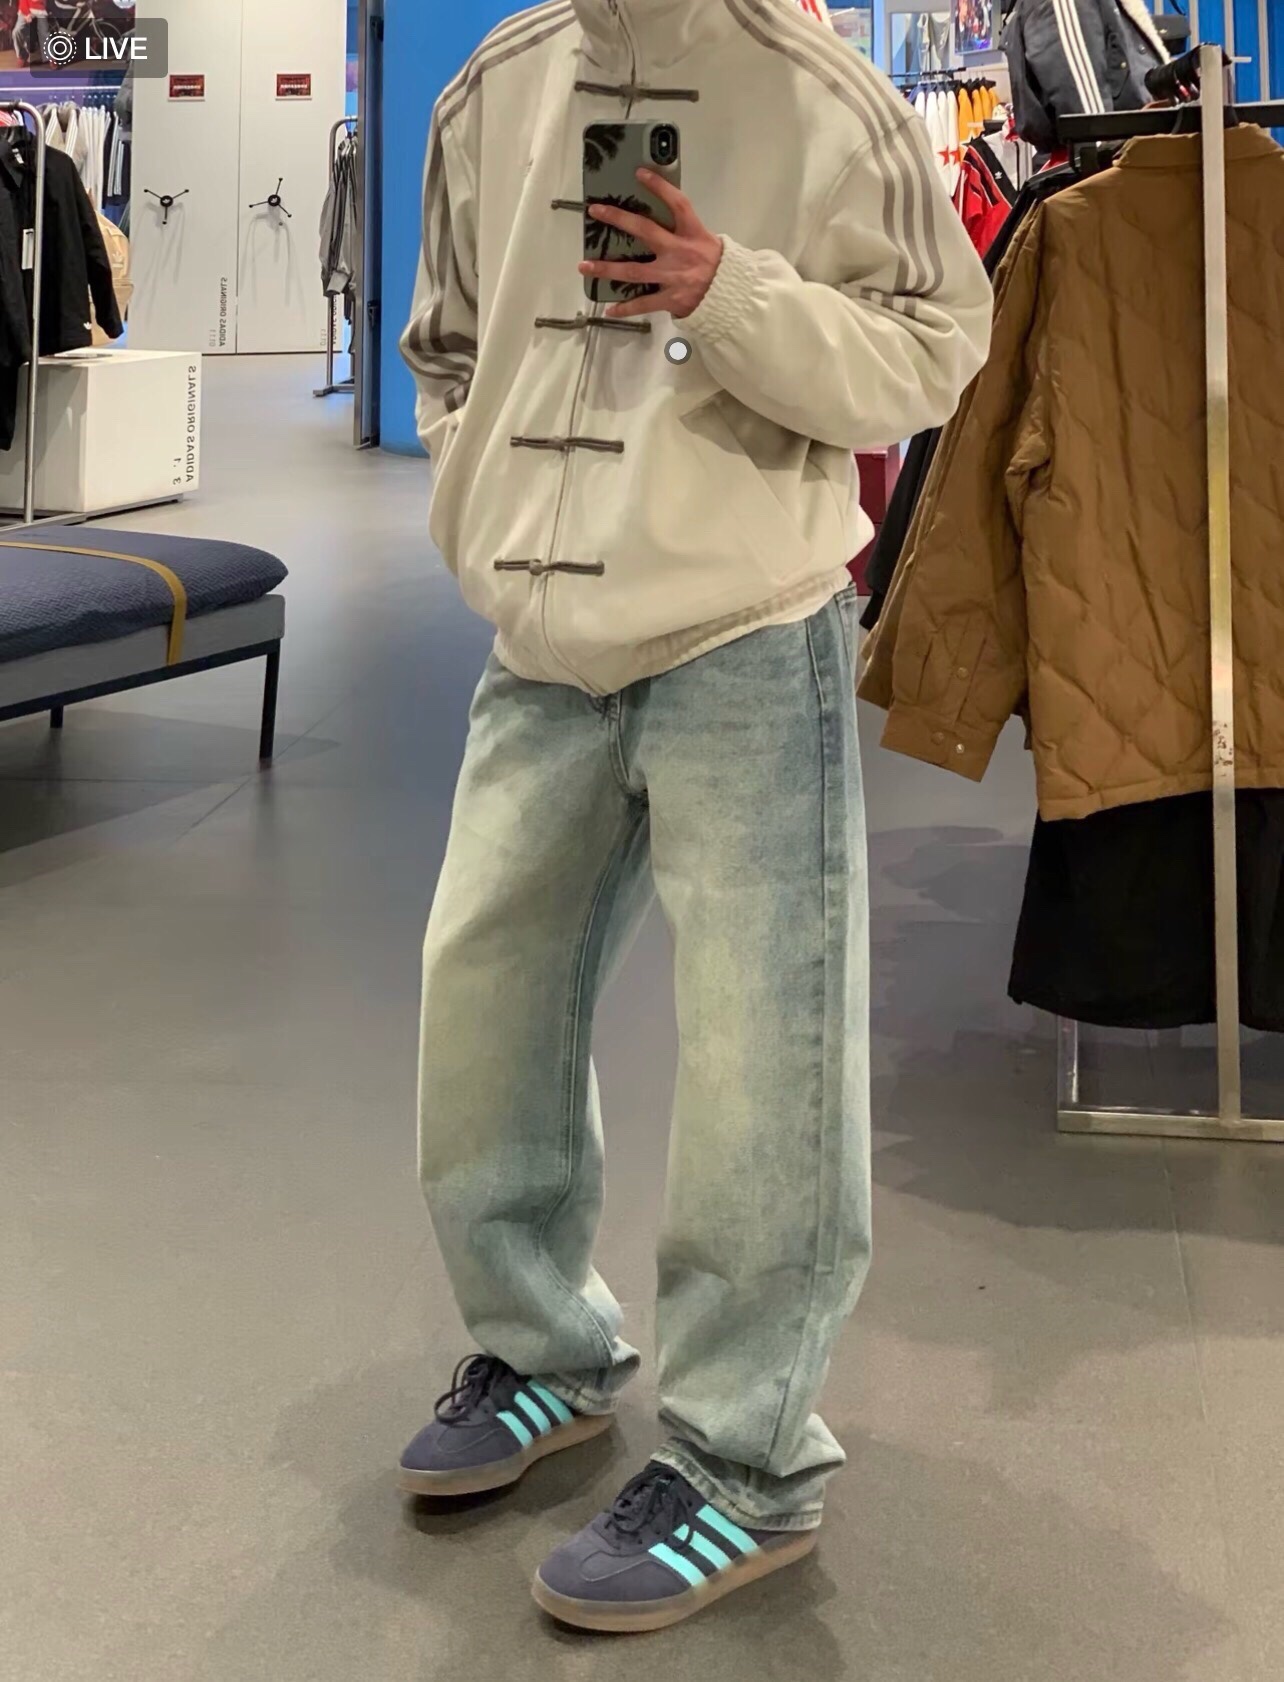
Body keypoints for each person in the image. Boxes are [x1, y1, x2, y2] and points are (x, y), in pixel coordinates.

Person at [399, 0, 990, 1635]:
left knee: (762, 1058)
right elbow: (445, 344)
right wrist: (482, 505)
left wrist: (732, 290)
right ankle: (540, 1348)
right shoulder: (492, 88)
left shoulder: (827, 95)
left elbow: (940, 343)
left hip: (744, 628)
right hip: (540, 648)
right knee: (484, 999)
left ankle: (748, 1456)